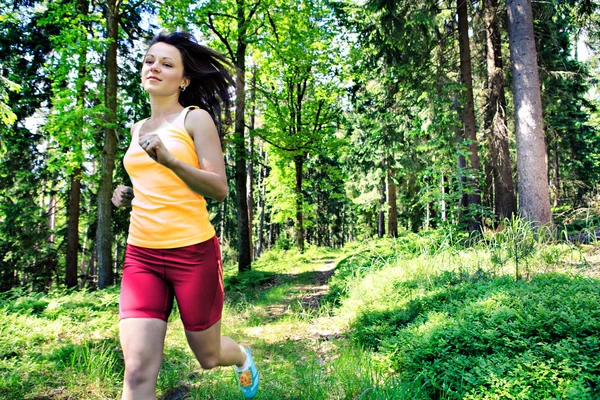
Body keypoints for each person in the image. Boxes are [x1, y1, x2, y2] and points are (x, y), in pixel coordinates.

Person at [111, 31, 259, 400]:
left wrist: (172, 160)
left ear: (184, 79)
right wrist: (126, 194)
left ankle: (240, 355)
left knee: (208, 356)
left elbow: (218, 189)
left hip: (192, 252)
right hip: (141, 255)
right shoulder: (135, 129)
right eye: (149, 61)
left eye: (167, 63)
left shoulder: (195, 120)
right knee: (138, 370)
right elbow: (150, 182)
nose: (155, 67)